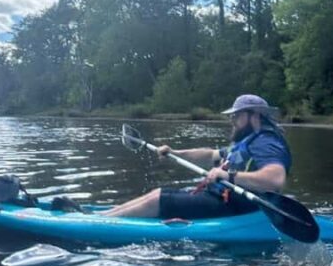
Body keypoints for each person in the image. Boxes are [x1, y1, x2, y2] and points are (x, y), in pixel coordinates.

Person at [104, 94, 292, 219]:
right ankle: (103, 217)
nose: (232, 120)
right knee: (158, 193)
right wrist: (175, 153)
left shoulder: (267, 142)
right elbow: (210, 154)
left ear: (255, 115)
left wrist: (229, 176)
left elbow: (275, 179)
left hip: (237, 206)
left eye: (236, 115)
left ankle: (102, 223)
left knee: (159, 199)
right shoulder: (248, 141)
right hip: (220, 198)